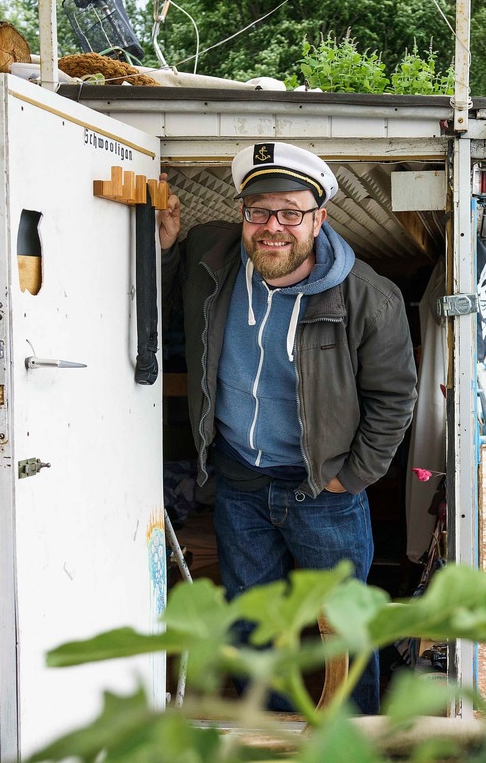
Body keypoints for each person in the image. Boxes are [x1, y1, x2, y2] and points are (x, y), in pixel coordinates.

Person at [158, 142, 418, 714]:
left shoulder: (369, 296)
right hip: (239, 483)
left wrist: (350, 479)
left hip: (321, 489)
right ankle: (267, 739)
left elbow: (395, 397)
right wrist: (169, 246)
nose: (273, 227)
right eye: (258, 212)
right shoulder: (211, 255)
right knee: (253, 627)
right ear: (243, 214)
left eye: (290, 213)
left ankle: (352, 745)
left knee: (344, 631)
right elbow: (162, 299)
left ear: (319, 218)